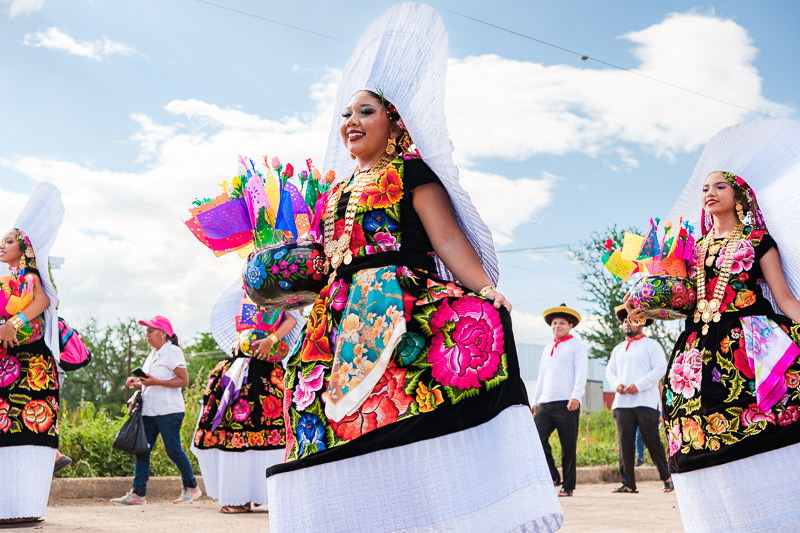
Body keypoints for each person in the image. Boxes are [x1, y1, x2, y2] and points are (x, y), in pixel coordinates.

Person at [262, 4, 563, 532]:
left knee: (414, 403)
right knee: (317, 408)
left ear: (395, 122)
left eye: (366, 111)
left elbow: (446, 238)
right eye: (347, 114)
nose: (351, 122)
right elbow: (326, 259)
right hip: (336, 315)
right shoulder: (332, 192)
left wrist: (485, 289)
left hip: (397, 300)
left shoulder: (412, 172)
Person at [627, 120, 800, 531]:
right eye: (705, 188)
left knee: (767, 425)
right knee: (697, 434)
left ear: (740, 195)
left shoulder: (758, 241)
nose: (709, 193)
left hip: (750, 345)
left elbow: (785, 298)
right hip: (696, 351)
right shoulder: (688, 248)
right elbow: (682, 300)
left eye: (720, 186)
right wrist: (643, 303)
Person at [191, 283, 304, 513]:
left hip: (266, 369)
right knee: (233, 431)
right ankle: (239, 497)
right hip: (240, 364)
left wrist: (271, 340)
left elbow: (293, 318)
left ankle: (263, 494)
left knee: (270, 432)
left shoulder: (279, 290)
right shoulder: (246, 294)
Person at [0, 183, 64, 524]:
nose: (2, 245)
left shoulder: (30, 275)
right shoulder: (1, 279)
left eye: (9, 240)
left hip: (31, 362)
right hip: (3, 361)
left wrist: (14, 322)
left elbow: (42, 301)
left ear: (24, 248)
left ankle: (25, 506)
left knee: (28, 424)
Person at [111, 316, 201, 505]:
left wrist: (155, 382)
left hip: (169, 411)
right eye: (146, 331)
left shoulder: (173, 351)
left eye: (150, 331)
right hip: (149, 411)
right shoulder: (153, 354)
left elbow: (184, 381)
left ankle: (191, 487)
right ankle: (138, 494)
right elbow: (150, 382)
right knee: (142, 450)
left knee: (173, 450)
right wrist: (137, 383)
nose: (147, 335)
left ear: (163, 333)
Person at [606, 304, 672, 494]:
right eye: (625, 321)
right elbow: (610, 372)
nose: (627, 324)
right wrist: (616, 384)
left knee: (652, 441)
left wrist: (639, 385)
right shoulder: (618, 349)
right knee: (625, 443)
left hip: (646, 401)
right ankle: (628, 484)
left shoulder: (651, 345)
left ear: (642, 323)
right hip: (622, 403)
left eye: (632, 320)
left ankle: (667, 478)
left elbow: (660, 368)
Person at [531, 304, 589, 497]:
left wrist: (576, 396)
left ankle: (568, 486)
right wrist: (536, 401)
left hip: (567, 402)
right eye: (554, 323)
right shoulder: (547, 348)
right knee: (536, 439)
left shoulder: (577, 346)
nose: (557, 326)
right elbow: (542, 376)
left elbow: (581, 373)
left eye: (562, 323)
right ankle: (553, 475)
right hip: (546, 402)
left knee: (568, 446)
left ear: (570, 325)